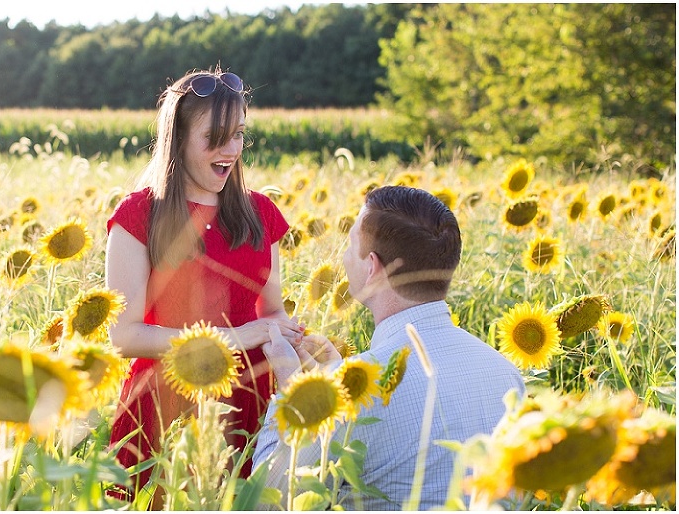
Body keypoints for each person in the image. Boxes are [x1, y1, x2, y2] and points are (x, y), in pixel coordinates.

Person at [252, 185, 525, 510]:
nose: (342, 256)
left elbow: (265, 499)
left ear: (372, 267)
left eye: (350, 245)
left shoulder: (349, 399)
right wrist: (334, 373)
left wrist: (292, 389)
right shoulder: (507, 375)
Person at [104, 67, 304, 505]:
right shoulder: (139, 215)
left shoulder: (260, 213)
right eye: (215, 136)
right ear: (177, 139)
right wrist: (230, 339)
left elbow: (270, 311)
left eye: (238, 135)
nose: (230, 149)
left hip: (249, 400)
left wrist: (289, 340)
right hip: (163, 407)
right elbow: (124, 335)